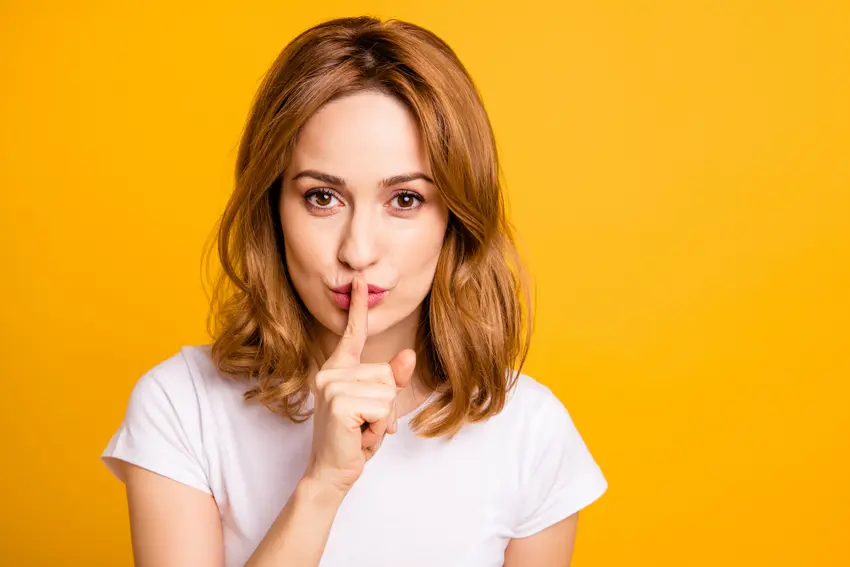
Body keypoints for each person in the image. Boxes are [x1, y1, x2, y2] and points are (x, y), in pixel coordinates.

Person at [101, 15, 608, 567]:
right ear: (273, 207)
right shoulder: (183, 406)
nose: (358, 250)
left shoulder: (529, 431)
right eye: (322, 197)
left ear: (455, 219)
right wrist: (322, 485)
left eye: (405, 200)